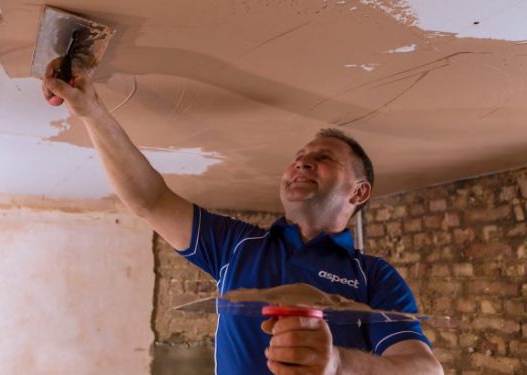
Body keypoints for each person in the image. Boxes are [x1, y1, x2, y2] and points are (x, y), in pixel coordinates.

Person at [41, 59, 444, 375]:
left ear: (359, 192)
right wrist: (91, 110)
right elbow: (151, 199)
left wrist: (338, 365)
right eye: (298, 159)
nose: (302, 165)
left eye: (321, 159)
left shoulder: (373, 277)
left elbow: (425, 369)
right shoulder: (238, 245)